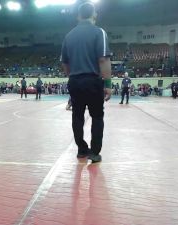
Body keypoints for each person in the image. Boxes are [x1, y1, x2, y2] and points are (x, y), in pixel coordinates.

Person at [61, 2, 112, 163]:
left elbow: (65, 63)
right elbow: (103, 59)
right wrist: (108, 84)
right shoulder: (99, 32)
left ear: (78, 16)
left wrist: (73, 77)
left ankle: (81, 149)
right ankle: (94, 152)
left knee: (77, 116)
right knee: (97, 116)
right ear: (94, 15)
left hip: (75, 81)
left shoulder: (68, 36)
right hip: (92, 81)